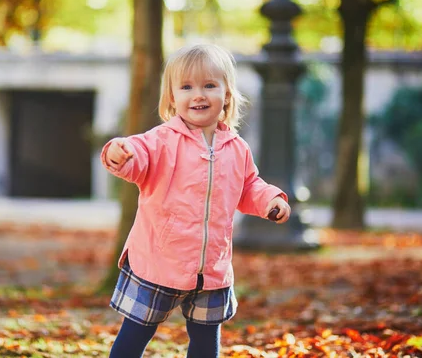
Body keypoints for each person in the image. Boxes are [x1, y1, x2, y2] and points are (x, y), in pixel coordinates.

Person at [102, 44, 290, 358]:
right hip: (159, 261)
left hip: (212, 267)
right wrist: (119, 153)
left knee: (205, 340)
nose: (198, 95)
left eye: (209, 86)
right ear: (172, 97)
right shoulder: (161, 140)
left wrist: (270, 199)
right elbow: (138, 157)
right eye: (187, 87)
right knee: (135, 333)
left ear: (227, 94)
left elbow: (247, 186)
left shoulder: (236, 148)